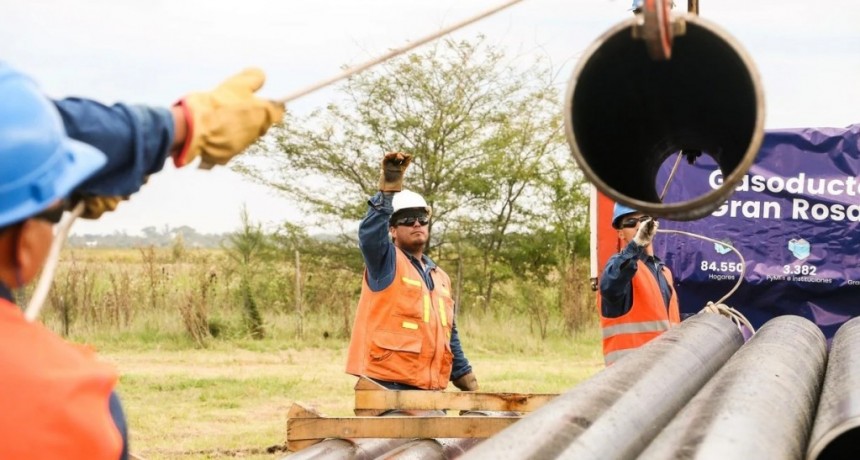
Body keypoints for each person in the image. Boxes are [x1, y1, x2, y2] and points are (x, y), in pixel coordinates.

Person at [0, 62, 282, 459]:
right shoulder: (64, 399)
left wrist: (174, 127)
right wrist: (179, 125)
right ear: (24, 247)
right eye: (54, 212)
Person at [345, 152, 477, 394]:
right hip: (386, 388)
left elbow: (449, 334)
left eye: (421, 218)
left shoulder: (440, 277)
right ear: (392, 230)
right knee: (424, 434)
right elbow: (369, 237)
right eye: (407, 219)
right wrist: (387, 193)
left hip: (428, 390)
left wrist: (465, 377)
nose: (416, 223)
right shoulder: (385, 261)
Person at [598, 203, 679, 366]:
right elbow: (609, 285)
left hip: (663, 374)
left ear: (653, 225)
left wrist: (704, 317)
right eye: (630, 222)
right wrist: (636, 245)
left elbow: (669, 323)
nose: (638, 225)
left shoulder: (664, 273)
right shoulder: (620, 268)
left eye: (643, 219)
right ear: (620, 233)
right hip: (627, 378)